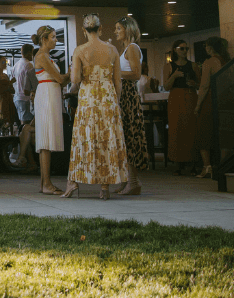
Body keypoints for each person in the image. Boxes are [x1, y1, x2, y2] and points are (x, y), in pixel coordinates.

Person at [62, 14, 128, 200]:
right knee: (106, 139)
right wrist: (117, 102)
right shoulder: (112, 49)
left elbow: (75, 80)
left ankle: (74, 181)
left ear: (84, 31)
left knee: (85, 138)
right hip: (108, 97)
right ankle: (105, 187)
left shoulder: (80, 50)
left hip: (88, 97)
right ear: (100, 29)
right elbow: (118, 82)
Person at [114, 16, 149, 195]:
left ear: (128, 29)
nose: (116, 31)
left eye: (119, 28)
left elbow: (136, 74)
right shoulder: (126, 49)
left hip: (128, 95)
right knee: (124, 136)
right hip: (123, 94)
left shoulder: (133, 48)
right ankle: (128, 179)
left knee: (130, 135)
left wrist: (115, 72)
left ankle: (133, 181)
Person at [31, 25, 68, 195]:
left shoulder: (46, 56)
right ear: (44, 39)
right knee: (45, 140)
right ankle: (46, 183)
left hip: (49, 94)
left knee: (46, 139)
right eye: (53, 37)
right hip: (46, 96)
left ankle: (43, 183)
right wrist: (74, 70)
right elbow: (59, 78)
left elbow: (59, 80)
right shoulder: (42, 56)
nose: (56, 40)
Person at [193, 36, 232, 178]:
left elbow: (204, 85)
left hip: (211, 99)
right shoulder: (228, 61)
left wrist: (197, 106)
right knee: (224, 135)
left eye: (206, 46)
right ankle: (223, 166)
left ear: (209, 47)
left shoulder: (209, 62)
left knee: (204, 133)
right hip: (227, 99)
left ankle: (207, 166)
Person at [165, 39, 199, 175]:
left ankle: (192, 162)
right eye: (182, 48)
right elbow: (166, 86)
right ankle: (178, 162)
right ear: (175, 50)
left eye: (186, 49)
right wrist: (174, 76)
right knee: (176, 128)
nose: (184, 51)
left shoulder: (194, 65)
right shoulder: (169, 66)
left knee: (191, 128)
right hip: (175, 98)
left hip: (190, 96)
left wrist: (194, 84)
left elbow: (200, 83)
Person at [12, 44, 38, 124]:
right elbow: (33, 81)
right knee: (28, 123)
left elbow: (13, 80)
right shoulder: (28, 65)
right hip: (26, 97)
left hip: (17, 97)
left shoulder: (16, 65)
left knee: (22, 121)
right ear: (29, 52)